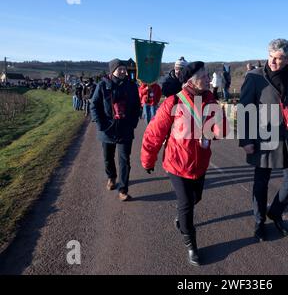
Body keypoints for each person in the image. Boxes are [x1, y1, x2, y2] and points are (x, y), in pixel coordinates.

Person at [141, 61, 227, 266]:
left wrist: (218, 122)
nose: (208, 79)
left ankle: (181, 219)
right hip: (177, 164)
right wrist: (148, 160)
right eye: (204, 76)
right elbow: (153, 134)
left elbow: (220, 133)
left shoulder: (210, 100)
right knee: (187, 204)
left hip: (200, 164)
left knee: (196, 197)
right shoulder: (173, 103)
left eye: (208, 75)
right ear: (191, 81)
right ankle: (192, 246)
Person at [239, 39, 288, 242]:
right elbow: (244, 109)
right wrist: (246, 139)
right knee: (261, 182)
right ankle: (259, 222)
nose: (274, 62)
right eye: (272, 57)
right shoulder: (254, 77)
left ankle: (275, 212)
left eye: (280, 58)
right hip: (263, 134)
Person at [91, 59, 141, 202]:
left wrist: (133, 123)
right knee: (108, 158)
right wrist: (100, 125)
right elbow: (94, 105)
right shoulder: (102, 85)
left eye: (124, 69)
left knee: (124, 160)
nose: (123, 71)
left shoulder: (131, 86)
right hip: (107, 130)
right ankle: (111, 177)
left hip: (125, 129)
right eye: (120, 69)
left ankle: (123, 189)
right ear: (113, 70)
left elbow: (137, 106)